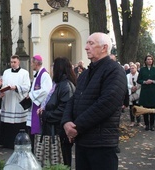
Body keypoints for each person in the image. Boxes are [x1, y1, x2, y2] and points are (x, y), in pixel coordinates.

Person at [61, 32, 127, 170]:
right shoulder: (85, 73)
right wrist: (66, 122)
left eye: (91, 43)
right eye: (86, 43)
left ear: (104, 48)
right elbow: (74, 99)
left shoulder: (115, 70)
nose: (86, 47)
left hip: (101, 143)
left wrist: (76, 127)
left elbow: (106, 104)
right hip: (83, 142)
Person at [38, 57, 76, 167]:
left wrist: (45, 114)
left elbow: (63, 111)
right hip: (53, 130)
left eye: (53, 67)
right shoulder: (59, 85)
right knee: (54, 161)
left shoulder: (65, 86)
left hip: (59, 133)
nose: (51, 69)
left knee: (62, 161)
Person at [0, 55, 30, 149]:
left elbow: (27, 87)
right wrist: (4, 89)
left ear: (18, 62)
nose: (12, 64)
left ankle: (19, 143)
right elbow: (3, 85)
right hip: (8, 100)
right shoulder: (6, 72)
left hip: (17, 101)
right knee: (7, 123)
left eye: (14, 62)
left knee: (18, 124)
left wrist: (16, 87)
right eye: (11, 62)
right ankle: (7, 143)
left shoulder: (24, 73)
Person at [26, 54, 51, 150]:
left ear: (36, 63)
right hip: (34, 106)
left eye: (32, 63)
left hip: (39, 106)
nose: (31, 65)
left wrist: (31, 95)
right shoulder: (38, 74)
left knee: (38, 132)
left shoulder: (44, 75)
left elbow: (46, 90)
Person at [137, 54, 155, 131]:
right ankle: (147, 125)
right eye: (148, 59)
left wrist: (153, 81)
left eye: (151, 59)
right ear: (145, 61)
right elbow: (139, 80)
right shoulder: (142, 70)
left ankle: (152, 125)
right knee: (145, 109)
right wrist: (144, 82)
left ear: (152, 61)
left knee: (152, 109)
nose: (149, 60)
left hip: (153, 91)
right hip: (145, 91)